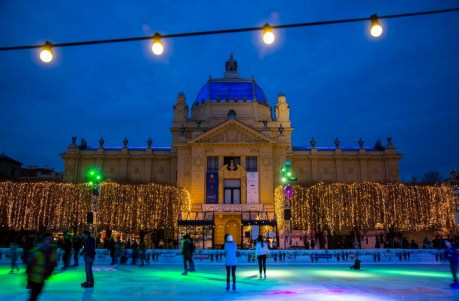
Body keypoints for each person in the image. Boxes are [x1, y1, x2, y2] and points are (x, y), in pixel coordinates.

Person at [26, 232, 57, 301]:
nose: (49, 241)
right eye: (47, 239)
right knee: (33, 296)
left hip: (42, 278)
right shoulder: (37, 250)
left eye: (50, 239)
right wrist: (28, 278)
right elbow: (30, 264)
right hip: (34, 278)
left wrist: (49, 272)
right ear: (43, 240)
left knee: (36, 295)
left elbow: (53, 263)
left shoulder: (51, 250)